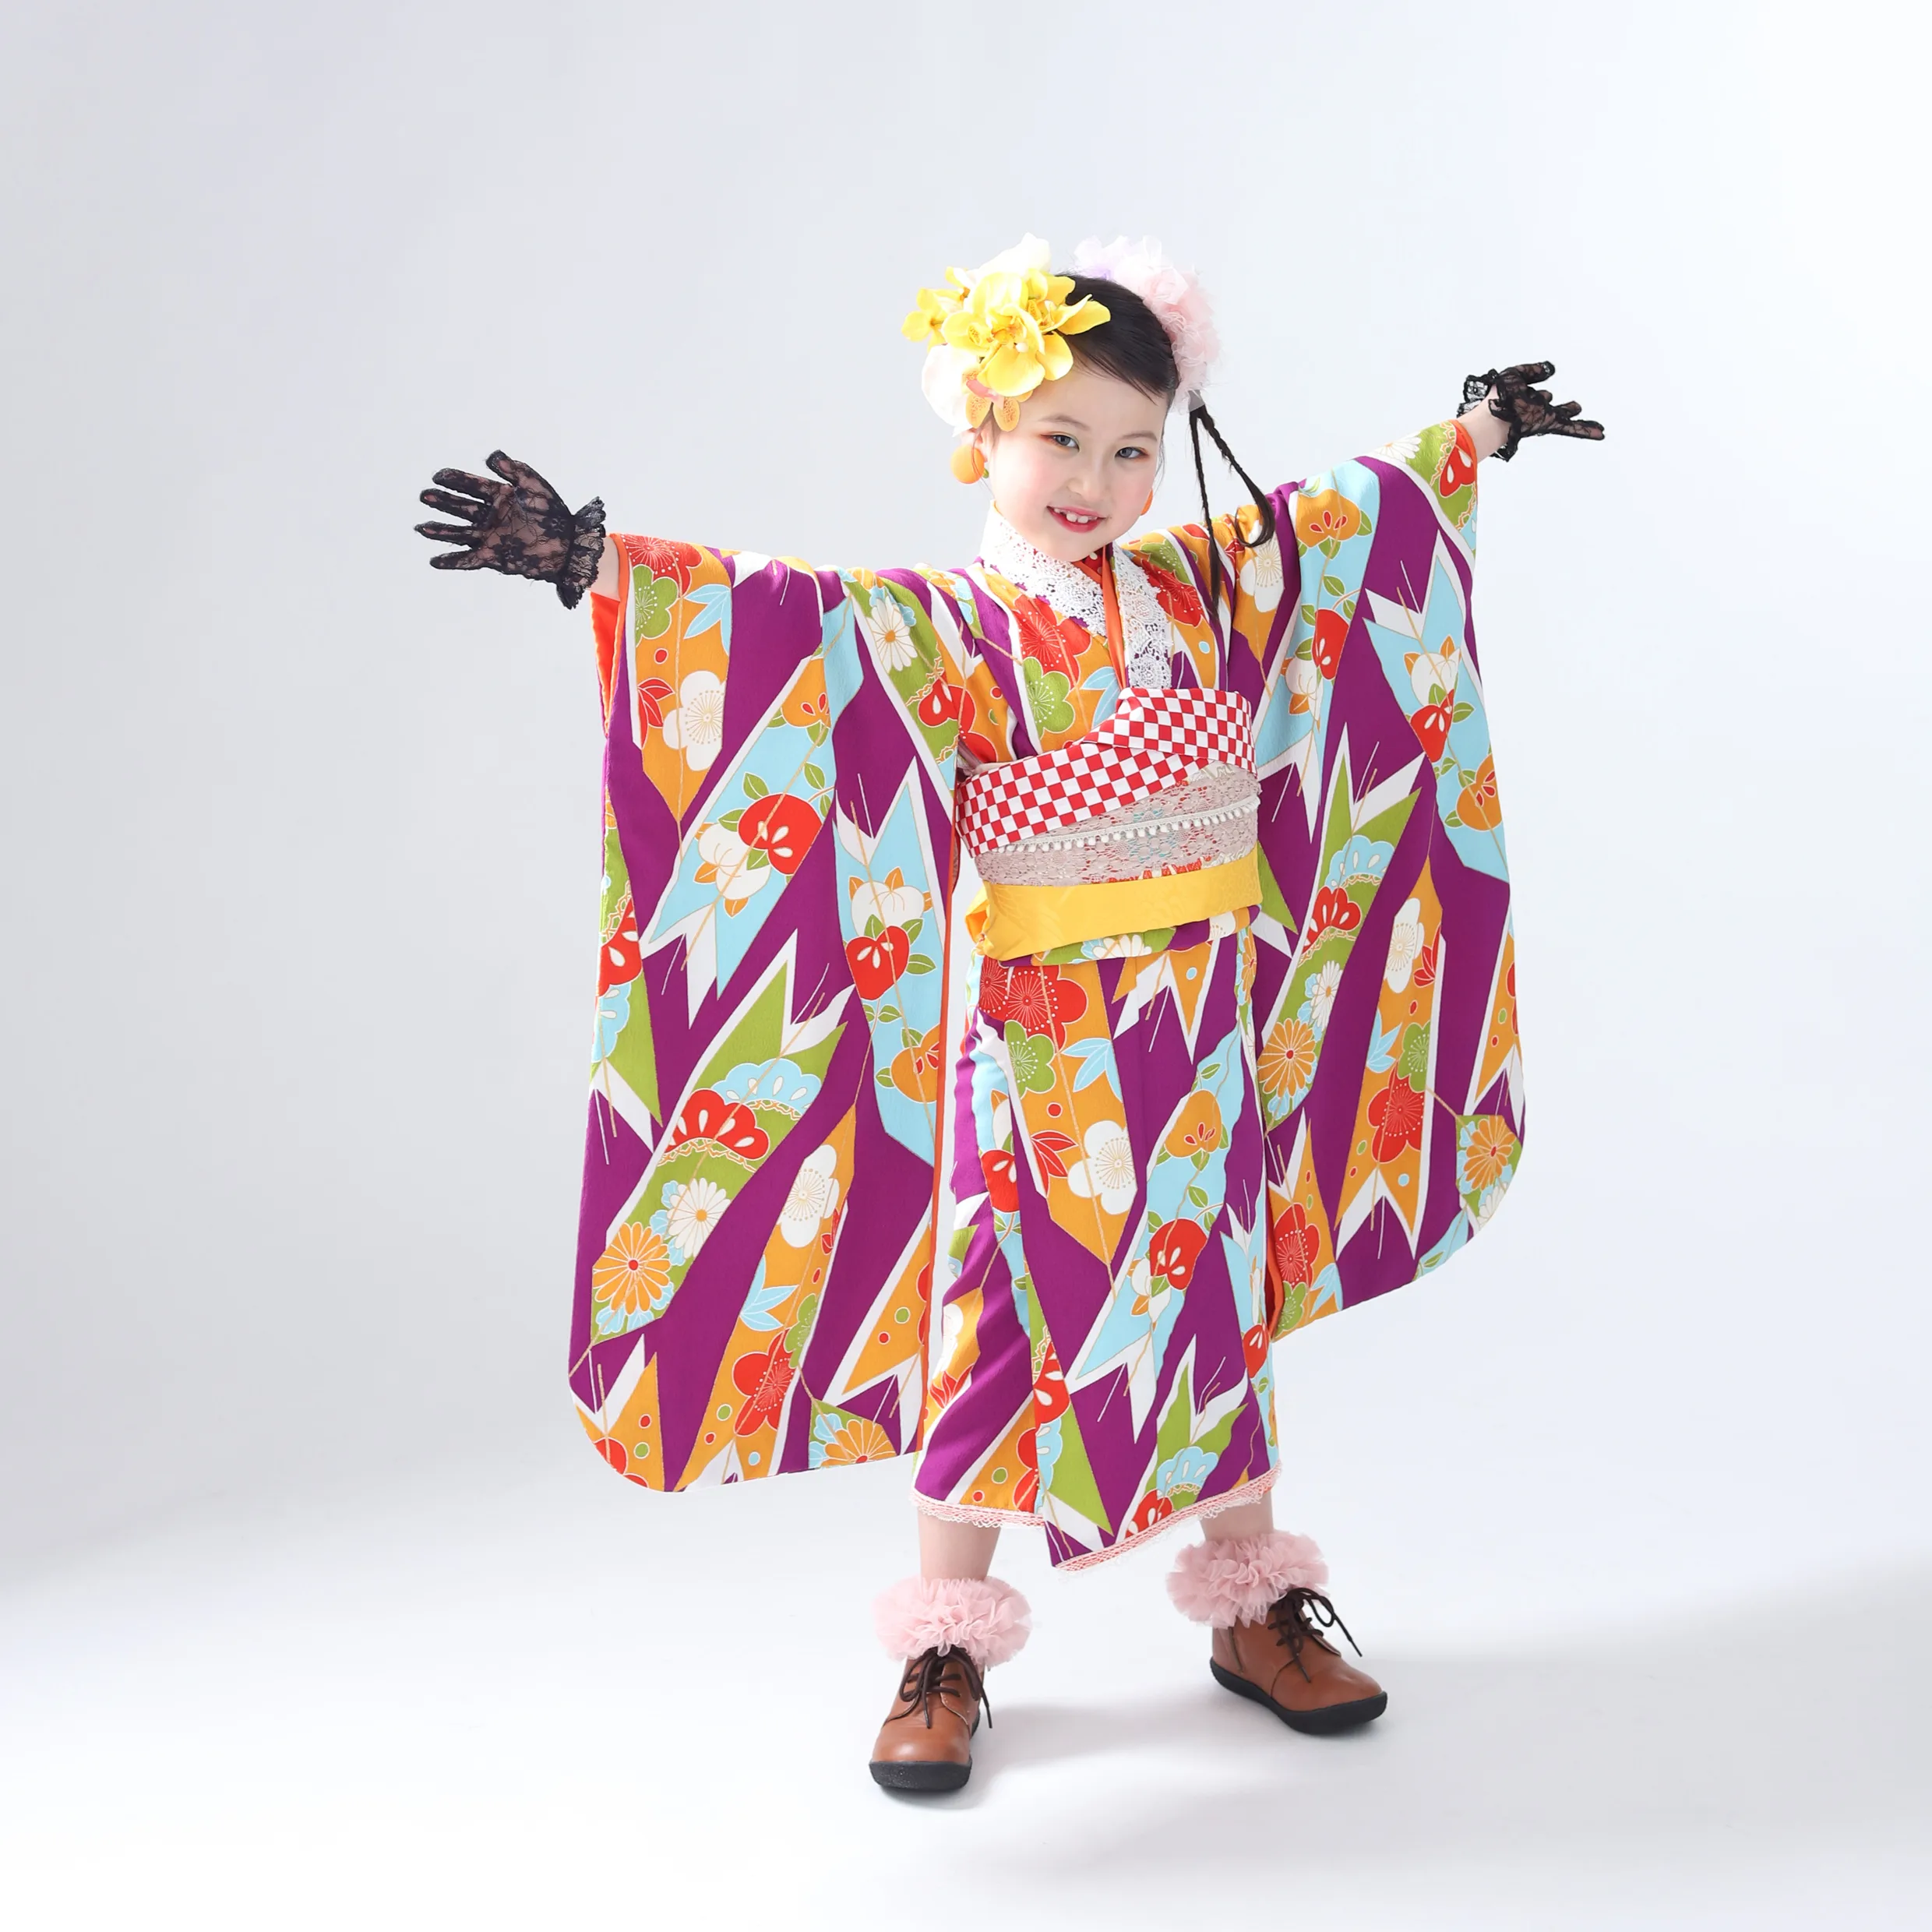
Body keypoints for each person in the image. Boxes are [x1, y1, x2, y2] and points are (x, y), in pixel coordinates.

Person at [414, 234, 1602, 1794]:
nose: (1096, 483)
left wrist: (1472, 436)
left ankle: (1254, 1603)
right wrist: (597, 565)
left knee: (1216, 1301)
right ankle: (946, 1645)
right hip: (1042, 1038)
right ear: (982, 427)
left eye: (1132, 449)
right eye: (1062, 438)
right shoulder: (943, 625)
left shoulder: (1202, 585)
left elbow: (1336, 531)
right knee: (996, 1321)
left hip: (1204, 1025)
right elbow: (784, 625)